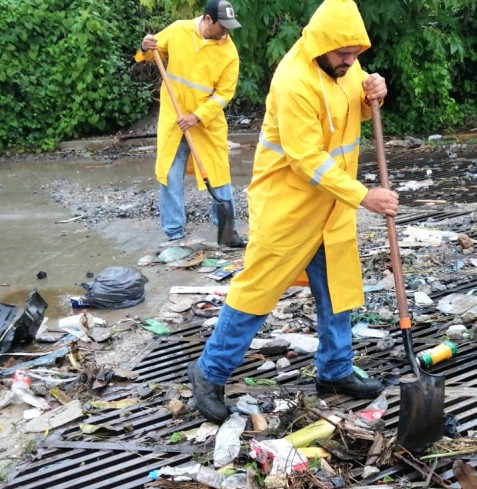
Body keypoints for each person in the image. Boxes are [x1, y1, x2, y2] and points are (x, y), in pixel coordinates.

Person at [187, 0, 399, 423]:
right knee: (257, 290)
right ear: (322, 44)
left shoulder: (343, 62)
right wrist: (363, 196)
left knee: (338, 289)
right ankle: (208, 373)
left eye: (356, 55)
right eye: (344, 55)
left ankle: (335, 372)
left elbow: (352, 107)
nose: (350, 62)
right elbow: (307, 158)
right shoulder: (294, 81)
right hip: (288, 206)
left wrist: (374, 92)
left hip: (331, 204)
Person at [136, 0, 245, 247]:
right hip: (173, 118)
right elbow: (153, 51)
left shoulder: (229, 53)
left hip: (207, 122)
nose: (226, 32)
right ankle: (174, 234)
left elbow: (224, 94)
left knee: (218, 173)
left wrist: (197, 116)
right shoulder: (178, 30)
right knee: (170, 173)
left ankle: (226, 232)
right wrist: (145, 46)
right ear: (208, 19)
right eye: (222, 26)